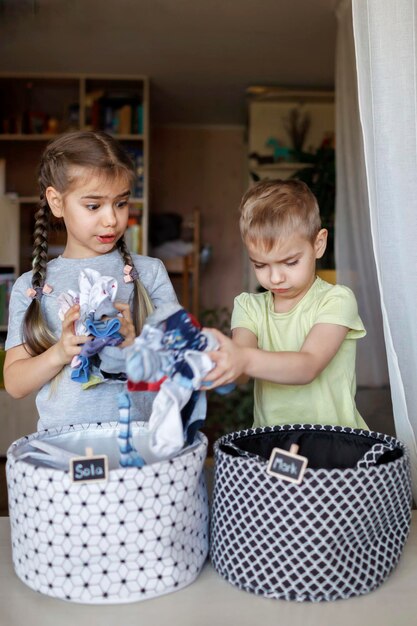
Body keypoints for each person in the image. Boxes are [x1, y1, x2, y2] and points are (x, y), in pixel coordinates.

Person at [3, 130, 178, 430]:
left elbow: (179, 362)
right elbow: (15, 383)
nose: (111, 219)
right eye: (94, 206)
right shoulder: (31, 287)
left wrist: (134, 346)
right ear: (56, 202)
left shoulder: (149, 273)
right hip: (64, 451)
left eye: (121, 203)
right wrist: (59, 352)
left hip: (138, 445)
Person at [205, 179, 368, 430]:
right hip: (273, 446)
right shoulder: (249, 307)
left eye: (290, 262)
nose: (275, 277)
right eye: (260, 265)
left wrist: (243, 359)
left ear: (318, 244)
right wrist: (217, 362)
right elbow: (241, 370)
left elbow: (307, 366)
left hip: (334, 445)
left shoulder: (336, 300)